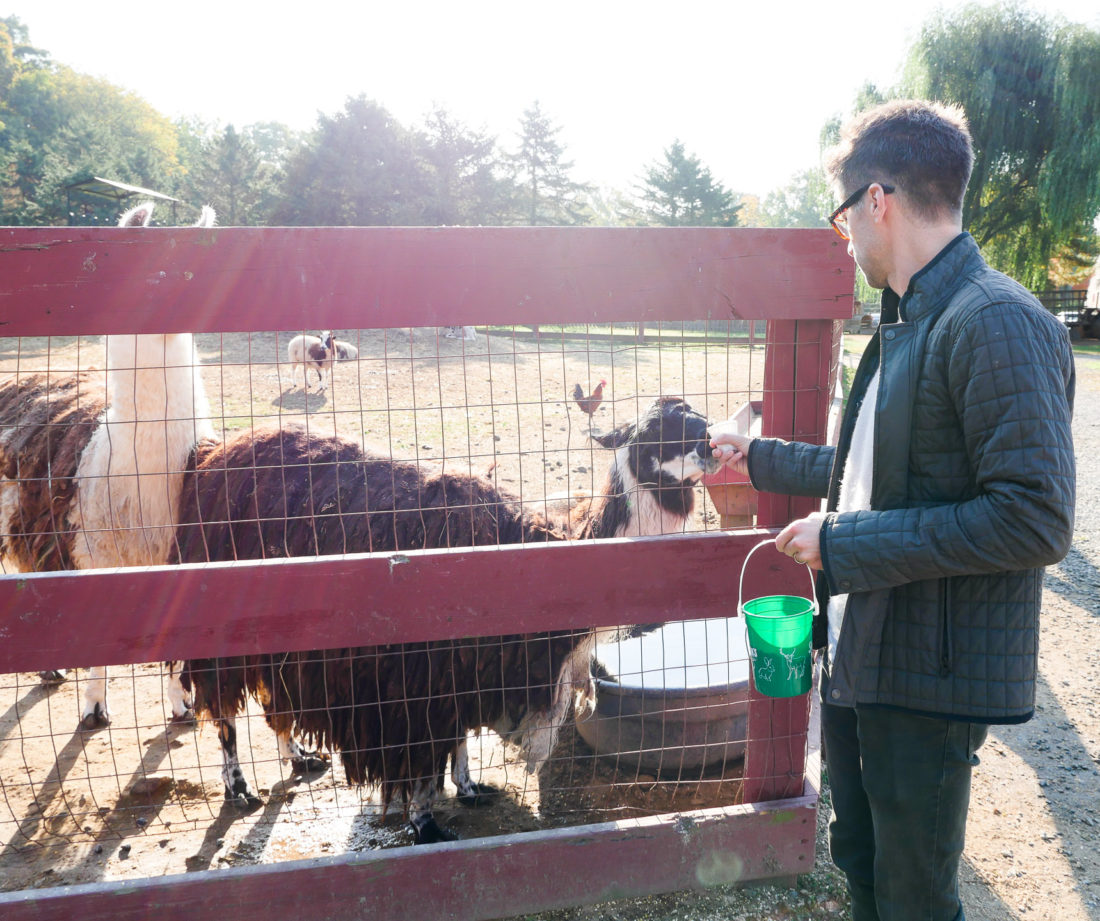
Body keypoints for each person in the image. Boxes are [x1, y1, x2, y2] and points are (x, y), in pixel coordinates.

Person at [712, 100, 1075, 921]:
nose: (846, 238)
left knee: (914, 895)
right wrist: (758, 456)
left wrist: (843, 542)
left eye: (844, 217)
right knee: (865, 865)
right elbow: (871, 476)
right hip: (865, 647)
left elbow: (1035, 518)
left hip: (928, 672)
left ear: (877, 200)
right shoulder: (911, 320)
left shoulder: (996, 321)